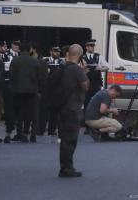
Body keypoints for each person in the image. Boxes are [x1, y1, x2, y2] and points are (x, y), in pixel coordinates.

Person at [58, 44, 90, 178]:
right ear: (80, 55)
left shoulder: (62, 67)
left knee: (65, 138)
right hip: (73, 108)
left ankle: (65, 166)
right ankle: (67, 168)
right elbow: (86, 86)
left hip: (62, 106)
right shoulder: (76, 70)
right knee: (70, 139)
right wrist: (84, 72)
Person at [10, 42, 43, 142]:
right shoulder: (35, 62)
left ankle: (20, 134)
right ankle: (33, 135)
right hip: (32, 91)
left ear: (19, 49)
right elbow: (39, 77)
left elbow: (12, 76)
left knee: (20, 114)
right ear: (30, 50)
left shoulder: (15, 61)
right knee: (34, 114)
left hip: (18, 91)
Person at [38, 47, 62, 137]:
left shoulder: (61, 62)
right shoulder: (45, 61)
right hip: (46, 89)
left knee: (54, 111)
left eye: (58, 52)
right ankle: (41, 129)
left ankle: (52, 130)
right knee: (43, 110)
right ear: (51, 52)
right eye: (55, 52)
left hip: (56, 90)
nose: (57, 53)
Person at [0, 40, 19, 142]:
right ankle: (9, 130)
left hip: (5, 85)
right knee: (8, 108)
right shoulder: (9, 56)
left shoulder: (8, 57)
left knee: (8, 109)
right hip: (7, 85)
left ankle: (9, 129)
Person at [82, 39, 109, 109]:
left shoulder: (98, 56)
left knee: (96, 102)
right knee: (86, 102)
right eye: (91, 46)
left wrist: (100, 68)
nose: (93, 47)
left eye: (93, 45)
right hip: (86, 83)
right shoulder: (82, 57)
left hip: (96, 83)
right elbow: (77, 69)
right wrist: (83, 70)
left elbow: (107, 67)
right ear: (86, 47)